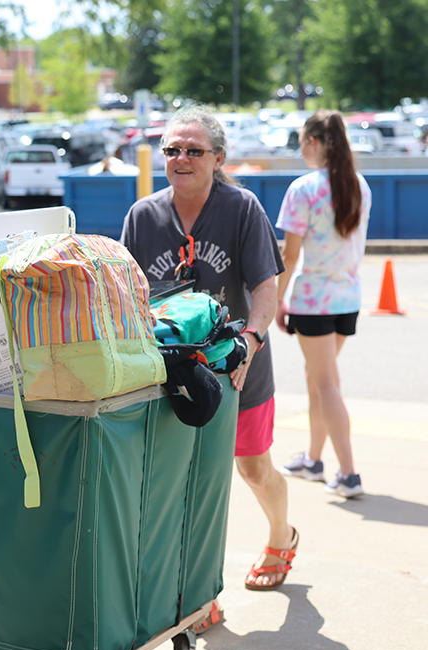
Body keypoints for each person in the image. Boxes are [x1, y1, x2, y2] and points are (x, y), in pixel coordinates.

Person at [121, 106, 296, 597]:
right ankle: (196, 593)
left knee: (253, 468)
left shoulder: (241, 209)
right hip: (174, 371)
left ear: (218, 158)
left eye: (194, 151)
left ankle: (281, 536)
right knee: (181, 480)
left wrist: (251, 340)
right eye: (172, 149)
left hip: (237, 366)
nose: (181, 159)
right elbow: (126, 295)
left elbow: (266, 288)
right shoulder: (143, 216)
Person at [275, 111, 371, 498]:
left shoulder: (304, 189)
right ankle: (313, 460)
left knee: (326, 383)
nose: (301, 150)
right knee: (317, 378)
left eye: (301, 143)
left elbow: (290, 255)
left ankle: (348, 474)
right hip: (348, 299)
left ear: (313, 142)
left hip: (313, 302)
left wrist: (277, 300)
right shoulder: (359, 185)